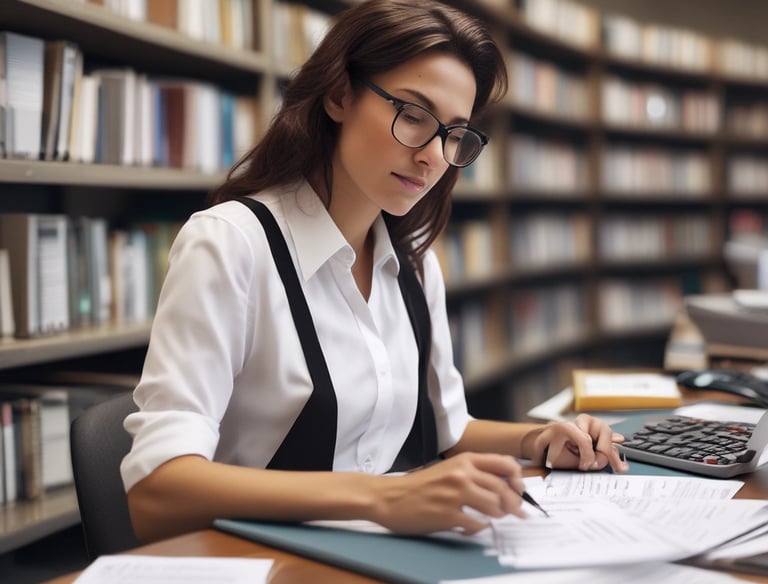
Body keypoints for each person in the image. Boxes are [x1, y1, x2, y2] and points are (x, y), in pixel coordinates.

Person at [121, 0, 629, 544]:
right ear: (339, 95)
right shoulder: (230, 244)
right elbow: (157, 490)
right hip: (258, 560)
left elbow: (451, 429)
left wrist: (537, 441)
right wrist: (383, 498)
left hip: (373, 551)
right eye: (413, 115)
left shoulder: (416, 263)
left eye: (454, 134)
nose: (434, 156)